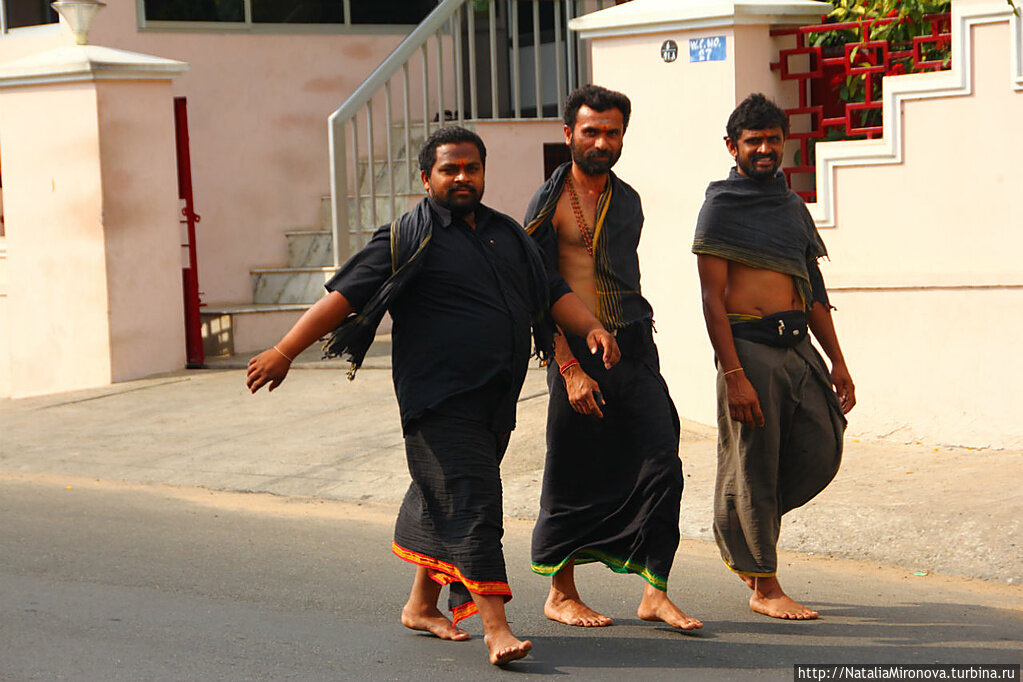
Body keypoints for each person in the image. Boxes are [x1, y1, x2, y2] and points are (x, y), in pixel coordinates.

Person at [246, 126, 621, 665]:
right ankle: (496, 628)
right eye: (450, 169)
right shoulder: (407, 235)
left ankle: (420, 604)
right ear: (427, 178)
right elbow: (343, 298)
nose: (462, 177)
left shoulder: (507, 234)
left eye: (471, 168)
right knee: (472, 501)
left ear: (484, 173)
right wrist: (284, 350)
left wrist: (590, 328)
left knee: (440, 494)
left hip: (494, 400)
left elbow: (550, 292)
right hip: (436, 401)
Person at [524, 85, 702, 631]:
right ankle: (561, 592)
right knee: (574, 469)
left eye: (612, 132)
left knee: (662, 462)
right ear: (568, 135)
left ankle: (655, 590)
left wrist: (633, 339)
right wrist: (569, 368)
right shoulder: (548, 205)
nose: (602, 141)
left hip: (633, 347)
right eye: (591, 131)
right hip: (575, 355)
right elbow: (537, 292)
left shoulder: (629, 202)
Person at [693, 93, 856, 620]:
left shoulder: (789, 205)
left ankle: (740, 530)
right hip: (750, 351)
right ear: (732, 146)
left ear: (785, 142)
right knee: (755, 463)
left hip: (798, 348)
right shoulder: (721, 204)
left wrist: (837, 359)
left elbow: (811, 287)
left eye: (772, 140)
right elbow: (712, 299)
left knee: (822, 441)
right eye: (753, 141)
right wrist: (734, 374)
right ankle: (764, 584)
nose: (764, 149)